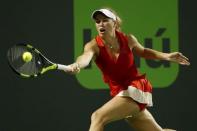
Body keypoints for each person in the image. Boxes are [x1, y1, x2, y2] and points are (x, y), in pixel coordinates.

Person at [64, 8, 190, 131]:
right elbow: (85, 58)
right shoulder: (93, 46)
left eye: (105, 20)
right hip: (121, 93)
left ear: (114, 23)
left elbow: (144, 52)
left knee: (98, 117)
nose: (101, 24)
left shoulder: (129, 39)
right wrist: (77, 65)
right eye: (98, 21)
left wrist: (167, 56)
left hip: (136, 88)